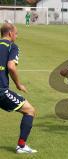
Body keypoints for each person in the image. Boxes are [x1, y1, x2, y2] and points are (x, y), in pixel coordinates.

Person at [0, 23, 37, 153]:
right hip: (1, 91)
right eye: (16, 33)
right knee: (30, 110)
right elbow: (11, 66)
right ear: (10, 33)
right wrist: (18, 84)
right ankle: (21, 146)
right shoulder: (12, 46)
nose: (17, 35)